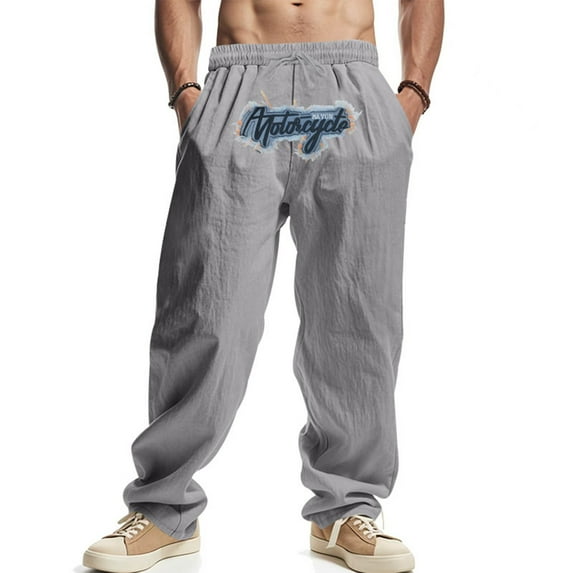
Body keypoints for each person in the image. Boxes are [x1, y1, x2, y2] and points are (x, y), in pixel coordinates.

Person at [82, 0, 444, 572]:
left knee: (357, 317)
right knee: (205, 312)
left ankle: (347, 507)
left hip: (351, 89)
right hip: (240, 83)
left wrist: (412, 96)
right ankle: (164, 509)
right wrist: (187, 95)